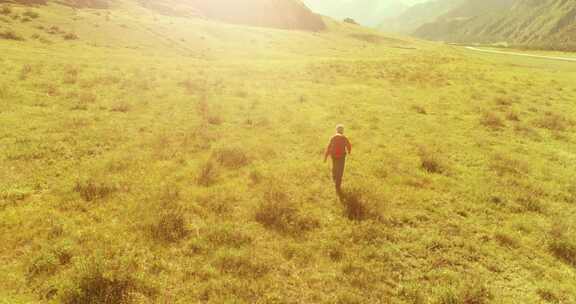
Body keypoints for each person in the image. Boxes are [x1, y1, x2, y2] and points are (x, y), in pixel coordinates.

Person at [324, 124, 352, 192]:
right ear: (342, 131)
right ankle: (338, 185)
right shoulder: (344, 138)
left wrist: (325, 157)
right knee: (340, 170)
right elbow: (349, 145)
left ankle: (334, 177)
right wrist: (349, 151)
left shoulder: (333, 137)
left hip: (333, 156)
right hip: (341, 156)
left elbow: (328, 147)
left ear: (336, 130)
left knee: (334, 167)